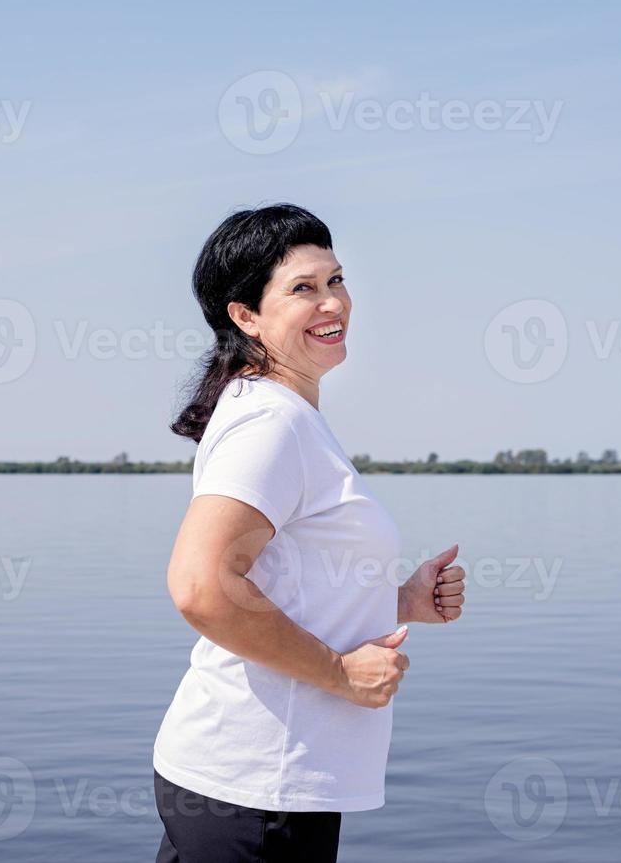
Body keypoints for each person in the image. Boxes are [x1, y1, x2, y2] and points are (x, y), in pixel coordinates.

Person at [153, 203, 466, 862]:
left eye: (335, 280)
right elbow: (200, 585)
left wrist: (396, 604)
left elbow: (285, 577)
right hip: (256, 787)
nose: (332, 303)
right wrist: (338, 674)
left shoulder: (276, 412)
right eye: (302, 289)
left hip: (265, 784)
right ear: (245, 316)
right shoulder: (270, 421)